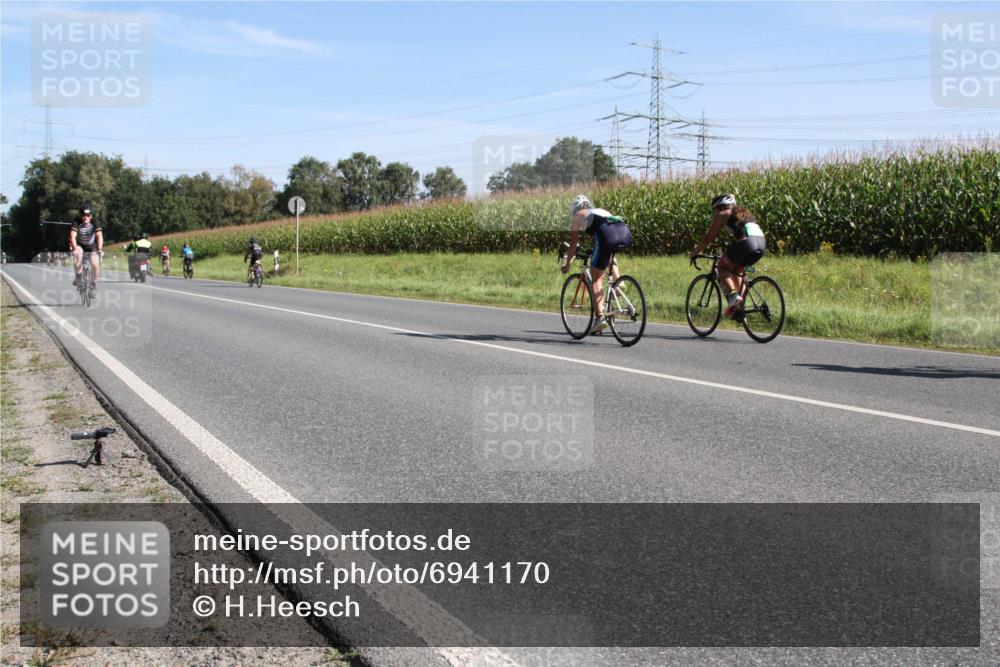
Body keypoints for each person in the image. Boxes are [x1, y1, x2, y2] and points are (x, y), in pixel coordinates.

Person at [560, 195, 631, 335]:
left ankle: (600, 318)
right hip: (624, 232)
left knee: (596, 279)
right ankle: (618, 283)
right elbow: (603, 234)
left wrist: (567, 264)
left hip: (606, 235)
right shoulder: (599, 211)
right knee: (608, 254)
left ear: (575, 209)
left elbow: (573, 243)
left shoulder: (578, 216)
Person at [690, 193, 767, 318]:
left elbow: (708, 238)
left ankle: (733, 296)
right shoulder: (744, 214)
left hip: (747, 243)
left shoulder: (723, 214)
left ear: (720, 207)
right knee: (737, 270)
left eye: (715, 210)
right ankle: (739, 307)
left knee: (721, 267)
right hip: (762, 244)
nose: (715, 213)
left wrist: (695, 252)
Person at [70, 204, 103, 293]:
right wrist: (74, 249)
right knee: (78, 256)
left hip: (91, 245)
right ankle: (79, 277)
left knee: (95, 265)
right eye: (83, 215)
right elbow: (72, 237)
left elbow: (99, 236)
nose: (86, 217)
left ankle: (93, 286)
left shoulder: (95, 222)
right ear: (80, 216)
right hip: (80, 245)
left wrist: (100, 249)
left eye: (88, 215)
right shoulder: (76, 222)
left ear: (91, 216)